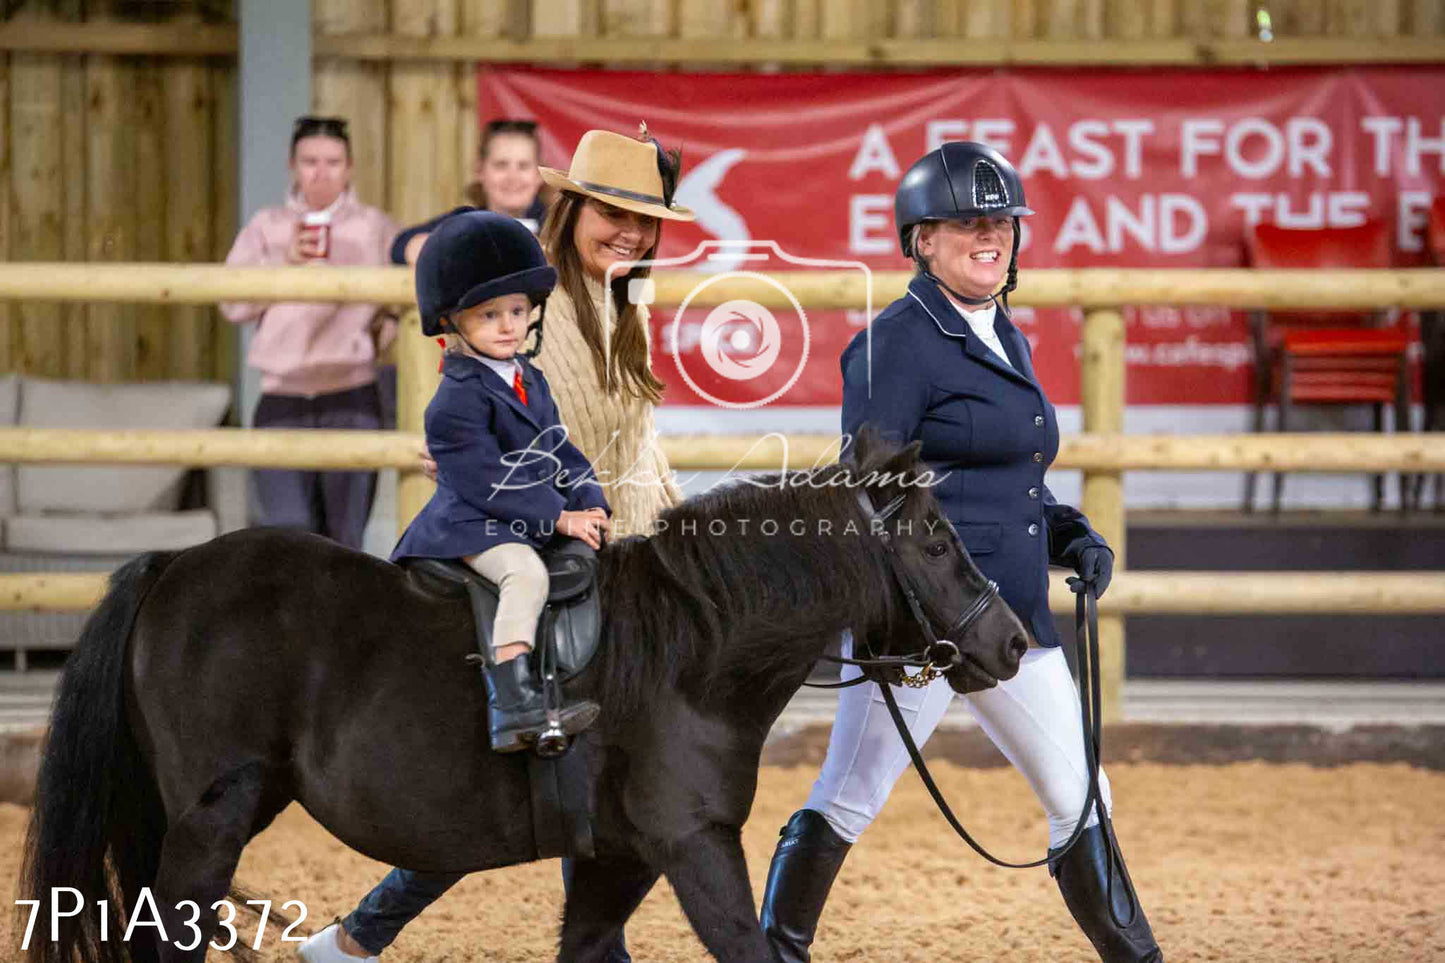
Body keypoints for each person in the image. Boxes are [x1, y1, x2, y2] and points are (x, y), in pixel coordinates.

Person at [757, 142, 1165, 963]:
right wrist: (910, 602)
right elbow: (873, 484)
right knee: (847, 798)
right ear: (921, 239)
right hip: (924, 622)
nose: (992, 236)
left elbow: (1009, 477)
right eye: (968, 223)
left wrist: (1066, 532)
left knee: (1082, 795)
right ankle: (773, 951)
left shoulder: (998, 331)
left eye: (1002, 221)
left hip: (1012, 617)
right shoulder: (894, 344)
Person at [298, 126, 695, 963]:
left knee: (579, 773)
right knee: (547, 774)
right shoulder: (530, 317)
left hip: (606, 547)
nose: (630, 234)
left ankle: (364, 935)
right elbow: (482, 427)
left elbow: (637, 437)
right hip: (533, 546)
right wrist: (560, 511)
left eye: (645, 220)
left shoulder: (629, 301)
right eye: (613, 214)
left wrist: (670, 524)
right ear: (571, 208)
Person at [220, 115, 398, 551]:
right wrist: (284, 261)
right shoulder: (268, 225)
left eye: (333, 162)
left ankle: (345, 623)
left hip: (352, 396)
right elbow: (231, 303)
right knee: (287, 537)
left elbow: (401, 300)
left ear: (350, 166)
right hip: (282, 396)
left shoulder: (374, 226)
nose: (321, 173)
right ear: (293, 166)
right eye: (310, 162)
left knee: (345, 543)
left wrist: (381, 334)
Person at [391, 118, 552, 266]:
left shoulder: (560, 227)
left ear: (539, 175)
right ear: (480, 171)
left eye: (523, 166)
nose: (512, 177)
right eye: (501, 165)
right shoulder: (464, 222)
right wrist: (426, 247)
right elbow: (400, 245)